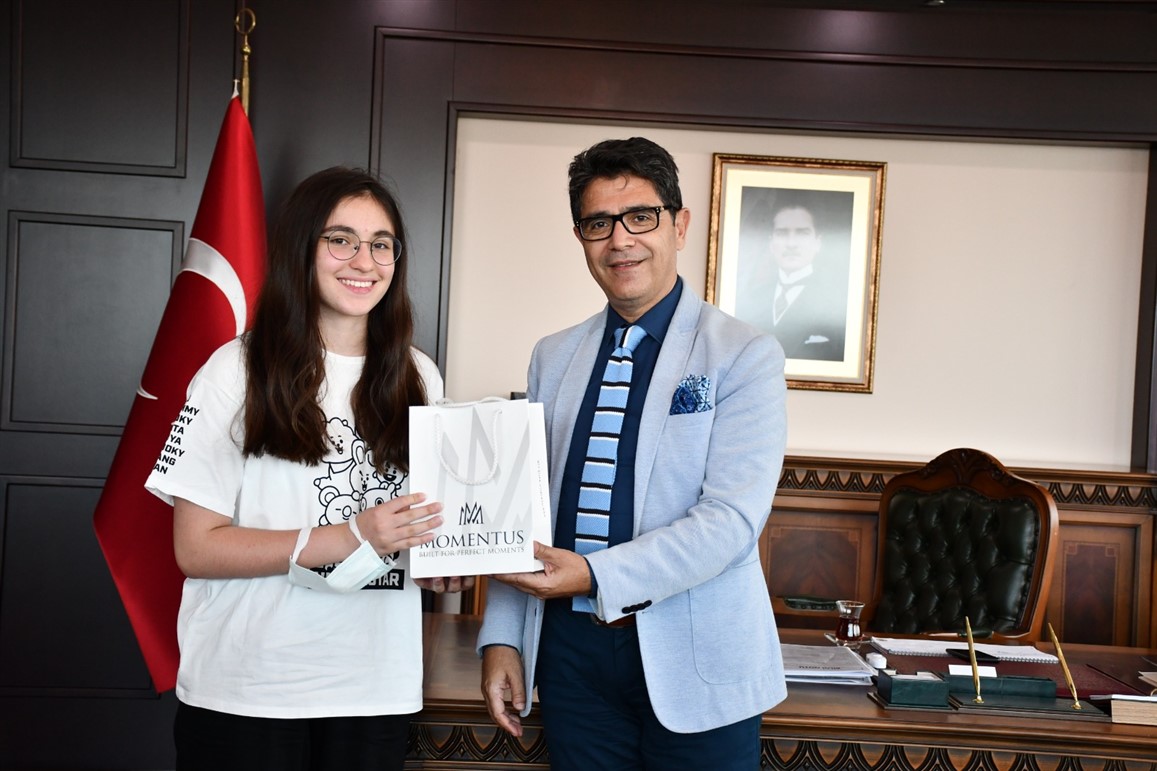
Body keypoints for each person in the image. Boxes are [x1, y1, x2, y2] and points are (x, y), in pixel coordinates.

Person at [145, 167, 471, 771]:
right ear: (302, 248)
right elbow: (195, 547)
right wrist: (351, 536)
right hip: (248, 689)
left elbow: (413, 527)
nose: (364, 261)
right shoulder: (234, 370)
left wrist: (438, 564)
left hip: (374, 688)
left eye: (381, 244)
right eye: (340, 239)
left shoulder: (420, 376)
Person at [477, 137, 787, 770]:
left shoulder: (745, 355)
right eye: (599, 223)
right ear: (580, 237)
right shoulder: (552, 356)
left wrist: (596, 576)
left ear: (679, 225)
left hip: (697, 657)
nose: (620, 240)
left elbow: (731, 521)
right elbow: (518, 512)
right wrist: (503, 637)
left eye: (640, 217)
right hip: (571, 659)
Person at [736, 197, 847, 361]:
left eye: (802, 233)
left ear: (818, 243)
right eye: (782, 233)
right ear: (771, 243)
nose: (791, 243)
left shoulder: (834, 304)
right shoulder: (753, 298)